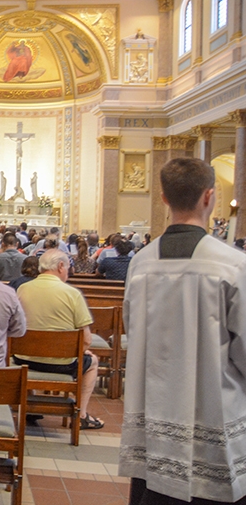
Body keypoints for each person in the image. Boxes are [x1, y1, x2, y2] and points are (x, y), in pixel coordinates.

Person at [120, 157, 246, 505]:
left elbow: (133, 327)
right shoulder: (232, 264)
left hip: (154, 413)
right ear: (210, 197)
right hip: (214, 412)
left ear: (163, 198)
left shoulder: (142, 261)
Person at [15, 249, 104, 430]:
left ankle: (29, 407)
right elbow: (86, 340)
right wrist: (81, 350)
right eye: (68, 267)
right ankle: (82, 416)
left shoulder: (22, 289)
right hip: (60, 363)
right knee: (92, 361)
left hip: (23, 359)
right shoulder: (72, 293)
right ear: (61, 266)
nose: (68, 272)